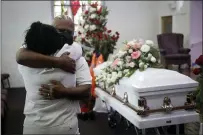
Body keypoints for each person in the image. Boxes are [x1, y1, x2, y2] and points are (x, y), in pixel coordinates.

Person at [17, 16, 91, 134]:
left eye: (69, 32)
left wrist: (64, 91)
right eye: (60, 31)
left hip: (64, 125)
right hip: (36, 125)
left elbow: (87, 92)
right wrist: (58, 62)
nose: (65, 35)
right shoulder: (73, 54)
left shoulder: (27, 57)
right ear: (51, 31)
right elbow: (20, 56)